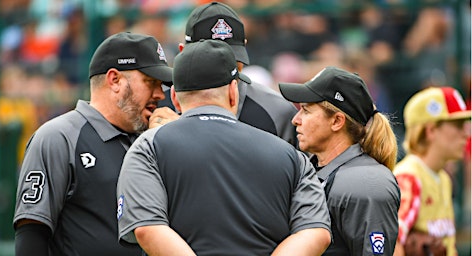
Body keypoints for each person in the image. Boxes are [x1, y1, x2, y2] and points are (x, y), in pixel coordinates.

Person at [117, 39, 332, 256]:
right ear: (233, 91)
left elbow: (148, 228)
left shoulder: (149, 146)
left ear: (175, 97)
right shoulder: (290, 156)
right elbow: (315, 232)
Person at [13, 32, 173, 256]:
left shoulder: (154, 138)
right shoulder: (59, 137)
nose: (159, 94)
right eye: (150, 82)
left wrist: (173, 145)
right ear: (114, 80)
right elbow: (31, 236)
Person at [279, 66, 401, 255]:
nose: (296, 119)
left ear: (337, 121)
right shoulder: (311, 165)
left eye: (306, 110)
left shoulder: (366, 182)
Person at [154, 1, 298, 146]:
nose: (222, 68)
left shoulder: (277, 111)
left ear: (245, 48)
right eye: (208, 60)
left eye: (233, 59)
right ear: (182, 51)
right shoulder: (155, 103)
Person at [393, 86, 470, 256]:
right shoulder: (409, 177)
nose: (466, 134)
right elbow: (392, 243)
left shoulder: (443, 178)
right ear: (431, 130)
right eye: (458, 125)